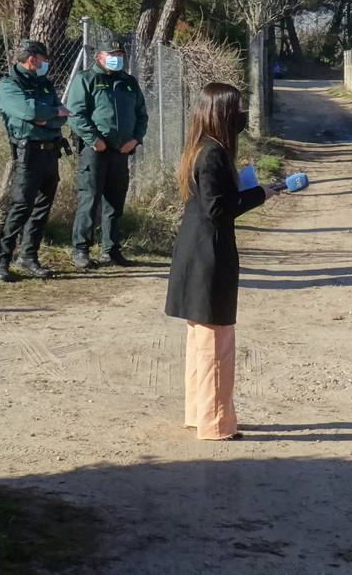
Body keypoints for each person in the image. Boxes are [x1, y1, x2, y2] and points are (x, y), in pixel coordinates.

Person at [165, 83, 279, 441]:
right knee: (217, 345)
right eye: (238, 108)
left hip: (196, 251)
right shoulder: (213, 154)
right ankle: (216, 425)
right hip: (209, 256)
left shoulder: (199, 147)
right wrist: (259, 193)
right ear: (222, 112)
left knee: (201, 342)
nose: (242, 115)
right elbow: (219, 209)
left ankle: (199, 414)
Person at [0, 39, 71, 282]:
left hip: (50, 152)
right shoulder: (9, 85)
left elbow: (62, 116)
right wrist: (46, 114)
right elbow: (28, 112)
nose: (45, 64)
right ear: (32, 59)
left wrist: (47, 116)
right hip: (27, 153)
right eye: (43, 60)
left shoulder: (45, 84)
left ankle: (29, 256)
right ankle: (2, 262)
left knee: (41, 208)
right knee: (21, 207)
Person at [66, 39, 149, 269]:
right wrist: (94, 140)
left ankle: (110, 250)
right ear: (99, 57)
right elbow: (76, 115)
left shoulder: (129, 82)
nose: (117, 58)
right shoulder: (86, 79)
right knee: (89, 199)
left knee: (115, 202)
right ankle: (81, 249)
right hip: (95, 151)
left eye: (120, 54)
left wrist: (135, 139)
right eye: (112, 54)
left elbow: (142, 115)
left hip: (121, 151)